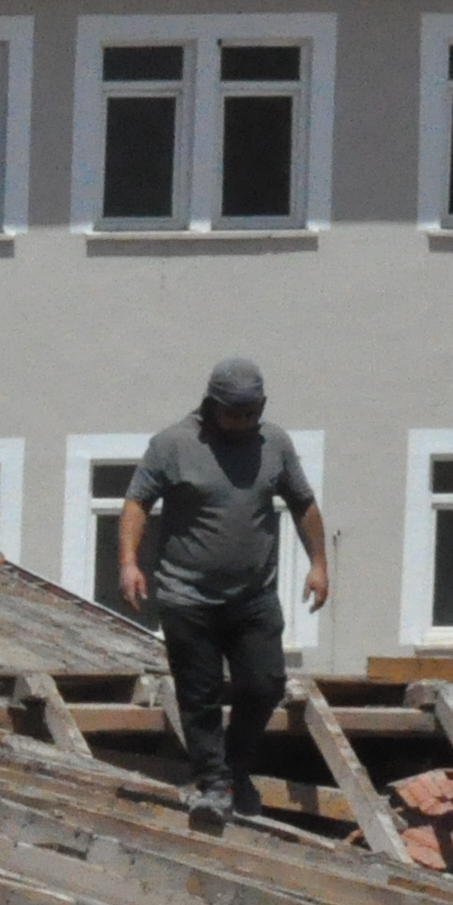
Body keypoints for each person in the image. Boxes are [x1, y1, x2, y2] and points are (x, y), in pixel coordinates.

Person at [119, 356, 331, 831]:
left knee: (264, 684)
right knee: (201, 695)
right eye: (234, 413)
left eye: (251, 412)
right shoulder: (173, 444)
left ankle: (234, 768)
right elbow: (137, 503)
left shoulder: (274, 443)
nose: (242, 422)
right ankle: (214, 786)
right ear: (212, 405)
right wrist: (129, 564)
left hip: (252, 596)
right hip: (186, 596)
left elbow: (303, 504)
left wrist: (319, 564)